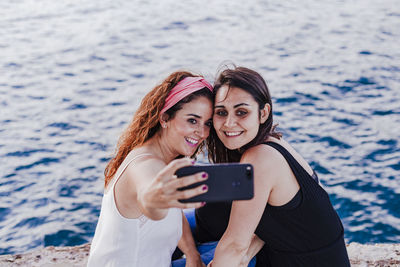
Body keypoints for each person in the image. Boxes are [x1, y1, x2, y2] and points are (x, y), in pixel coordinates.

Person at [193, 66, 350, 266]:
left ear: (263, 113)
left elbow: (234, 245)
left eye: (241, 112)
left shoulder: (261, 158)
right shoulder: (272, 143)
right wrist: (246, 253)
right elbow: (281, 221)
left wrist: (239, 255)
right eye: (221, 112)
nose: (229, 123)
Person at [87, 71, 214, 267]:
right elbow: (149, 195)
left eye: (208, 123)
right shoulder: (144, 164)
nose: (202, 132)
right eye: (192, 120)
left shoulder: (159, 157)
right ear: (164, 118)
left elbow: (174, 212)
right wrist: (155, 200)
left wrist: (192, 254)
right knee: (242, 255)